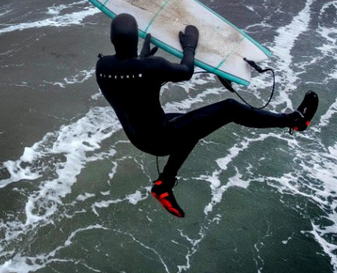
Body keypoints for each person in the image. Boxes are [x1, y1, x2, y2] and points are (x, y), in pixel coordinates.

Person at [96, 13, 319, 218]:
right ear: (136, 38)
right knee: (229, 108)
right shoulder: (150, 67)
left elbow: (133, 87)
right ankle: (294, 121)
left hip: (138, 136)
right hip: (162, 137)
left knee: (194, 125)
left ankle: (164, 184)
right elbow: (185, 72)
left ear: (112, 39)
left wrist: (141, 59)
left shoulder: (101, 67)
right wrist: (189, 46)